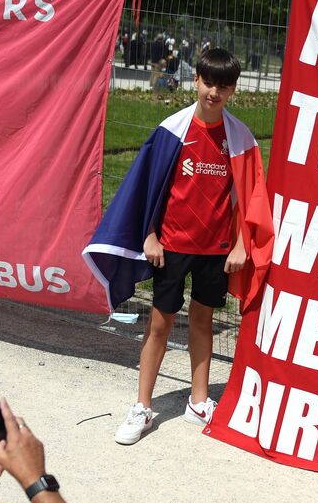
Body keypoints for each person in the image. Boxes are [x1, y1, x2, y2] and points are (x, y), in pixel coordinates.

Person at [84, 48, 274, 445]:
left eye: (223, 86)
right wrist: (149, 235)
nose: (214, 93)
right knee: (159, 325)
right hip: (172, 246)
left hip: (218, 250)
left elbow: (252, 197)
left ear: (233, 90)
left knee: (202, 322)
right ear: (195, 81)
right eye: (208, 83)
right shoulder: (172, 131)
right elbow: (147, 190)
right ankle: (142, 406)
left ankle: (199, 401)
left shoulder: (240, 139)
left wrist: (241, 245)